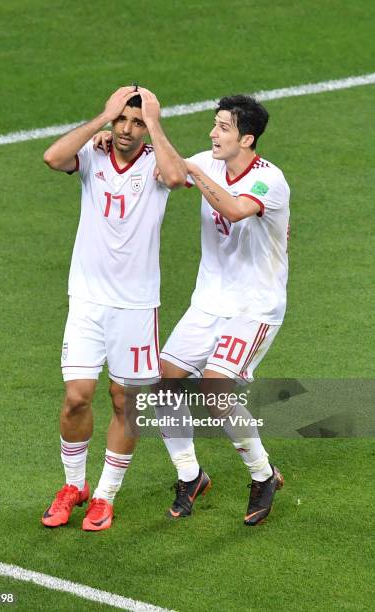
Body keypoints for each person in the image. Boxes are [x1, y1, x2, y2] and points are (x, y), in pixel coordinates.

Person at [41, 86, 187, 531]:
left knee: (124, 400)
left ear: (149, 127)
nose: (126, 129)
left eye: (137, 122)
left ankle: (105, 495)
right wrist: (99, 118)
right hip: (86, 300)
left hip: (136, 307)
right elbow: (52, 157)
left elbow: (178, 177)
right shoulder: (93, 153)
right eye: (121, 120)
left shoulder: (157, 165)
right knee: (75, 398)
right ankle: (73, 486)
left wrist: (156, 125)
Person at [156, 95, 290, 526]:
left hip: (254, 307)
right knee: (164, 382)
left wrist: (193, 170)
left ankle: (262, 474)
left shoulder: (271, 181)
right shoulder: (206, 162)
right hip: (208, 302)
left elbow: (233, 210)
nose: (213, 134)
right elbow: (169, 171)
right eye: (214, 126)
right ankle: (190, 475)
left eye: (224, 128)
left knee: (215, 388)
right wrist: (149, 128)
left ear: (247, 138)